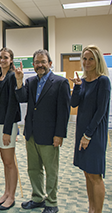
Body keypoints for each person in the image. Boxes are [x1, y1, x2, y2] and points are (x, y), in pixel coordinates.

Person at [14, 49, 70, 213]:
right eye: (37, 62)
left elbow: (64, 112)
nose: (40, 65)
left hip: (50, 134)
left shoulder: (61, 82)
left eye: (43, 62)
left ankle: (52, 202)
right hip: (31, 133)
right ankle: (37, 198)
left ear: (50, 63)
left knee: (51, 170)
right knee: (33, 169)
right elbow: (22, 98)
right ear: (33, 64)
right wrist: (19, 80)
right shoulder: (30, 81)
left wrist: (59, 134)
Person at [69, 45, 110, 213]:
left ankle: (97, 211)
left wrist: (88, 135)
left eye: (91, 58)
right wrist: (77, 87)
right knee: (87, 173)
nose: (87, 62)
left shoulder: (103, 81)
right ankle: (91, 209)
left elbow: (101, 111)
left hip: (94, 133)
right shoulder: (83, 81)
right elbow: (74, 104)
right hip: (82, 132)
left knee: (95, 175)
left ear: (98, 60)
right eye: (84, 59)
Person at [0, 48, 21, 210]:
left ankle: (11, 196)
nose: (2, 60)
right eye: (0, 57)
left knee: (9, 162)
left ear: (11, 60)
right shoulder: (0, 77)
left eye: (5, 57)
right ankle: (6, 193)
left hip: (7, 124)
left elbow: (13, 105)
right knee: (5, 161)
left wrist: (7, 130)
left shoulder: (13, 77)